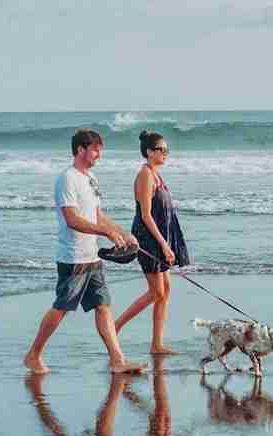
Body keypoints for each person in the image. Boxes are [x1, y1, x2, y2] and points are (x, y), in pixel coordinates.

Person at [23, 128, 146, 374]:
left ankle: (117, 360)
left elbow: (97, 216)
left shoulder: (90, 179)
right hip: (73, 257)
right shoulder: (67, 179)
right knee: (61, 308)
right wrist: (106, 234)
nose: (99, 155)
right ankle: (33, 355)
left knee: (103, 306)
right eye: (95, 149)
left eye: (100, 150)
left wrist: (122, 232)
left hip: (92, 256)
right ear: (80, 149)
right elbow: (72, 219)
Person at [114, 130, 190, 354]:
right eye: (162, 150)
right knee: (156, 291)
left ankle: (157, 344)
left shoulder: (156, 174)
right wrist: (164, 245)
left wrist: (168, 242)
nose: (166, 154)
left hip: (158, 238)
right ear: (149, 152)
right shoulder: (145, 175)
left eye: (167, 150)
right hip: (147, 239)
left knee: (165, 289)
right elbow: (146, 216)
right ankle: (114, 327)